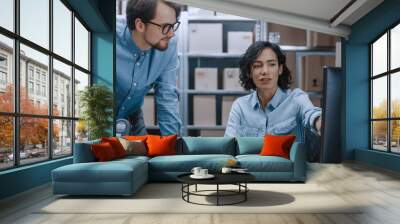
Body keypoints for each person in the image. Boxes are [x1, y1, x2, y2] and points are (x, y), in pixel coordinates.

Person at [224, 41, 322, 141]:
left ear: (280, 69)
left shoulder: (296, 99)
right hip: (249, 157)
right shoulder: (240, 106)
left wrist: (320, 122)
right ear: (249, 72)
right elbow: (229, 145)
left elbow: (311, 114)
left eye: (271, 64)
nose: (265, 71)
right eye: (257, 65)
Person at [116, 0, 182, 136]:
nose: (171, 34)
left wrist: (173, 147)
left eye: (173, 26)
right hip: (98, 117)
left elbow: (167, 95)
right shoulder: (108, 33)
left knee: (145, 156)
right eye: (165, 27)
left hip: (132, 117)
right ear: (140, 25)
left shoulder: (169, 45)